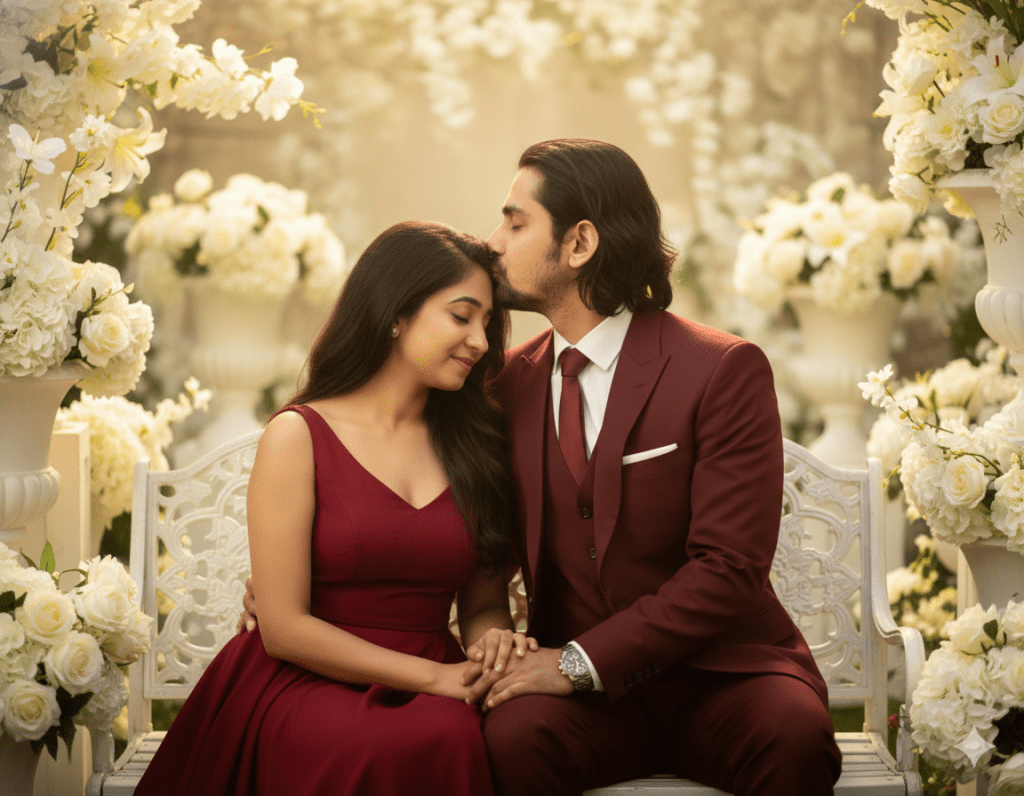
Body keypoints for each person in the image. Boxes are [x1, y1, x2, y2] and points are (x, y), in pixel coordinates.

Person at [243, 140, 843, 796]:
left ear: (579, 243)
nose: (494, 242)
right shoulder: (501, 388)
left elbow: (729, 568)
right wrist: (297, 580)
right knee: (512, 740)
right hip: (578, 699)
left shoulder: (720, 370)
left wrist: (579, 663)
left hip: (723, 675)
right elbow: (461, 538)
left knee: (794, 737)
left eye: (516, 222)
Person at [136, 221, 535, 796]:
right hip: (305, 675)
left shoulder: (477, 445)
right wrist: (436, 677)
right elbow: (283, 628)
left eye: (488, 324)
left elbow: (483, 604)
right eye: (461, 316)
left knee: (449, 735)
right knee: (369, 743)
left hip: (438, 676)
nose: (479, 340)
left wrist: (491, 642)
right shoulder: (298, 435)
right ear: (396, 314)